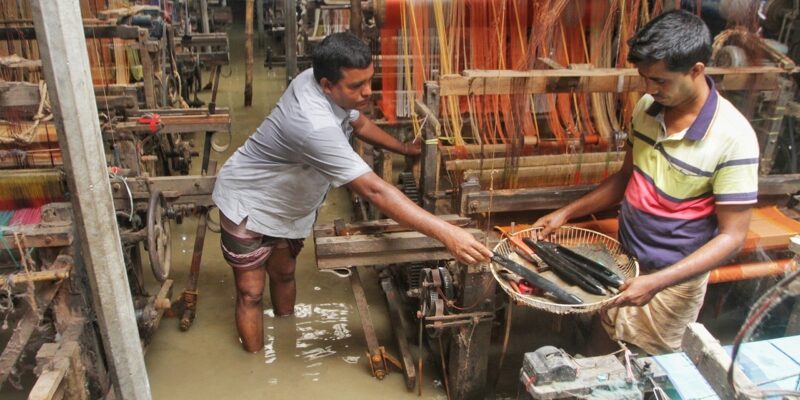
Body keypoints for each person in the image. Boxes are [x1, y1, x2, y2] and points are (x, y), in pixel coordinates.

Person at [212, 32, 492, 353]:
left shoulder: (322, 81)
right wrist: (447, 233)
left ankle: (285, 336)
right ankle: (257, 369)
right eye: (356, 87)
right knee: (250, 292)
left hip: (289, 202)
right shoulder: (313, 125)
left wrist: (404, 148)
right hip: (249, 202)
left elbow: (358, 124)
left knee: (285, 274)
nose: (367, 93)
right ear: (327, 85)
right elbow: (375, 190)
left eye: (369, 81)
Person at [533, 10, 758, 355]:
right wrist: (566, 213)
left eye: (661, 81)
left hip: (672, 282)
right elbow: (626, 178)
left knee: (647, 366)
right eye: (645, 79)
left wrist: (656, 282)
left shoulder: (733, 138)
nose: (650, 89)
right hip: (623, 263)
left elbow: (732, 237)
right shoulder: (647, 109)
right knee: (602, 349)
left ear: (697, 70)